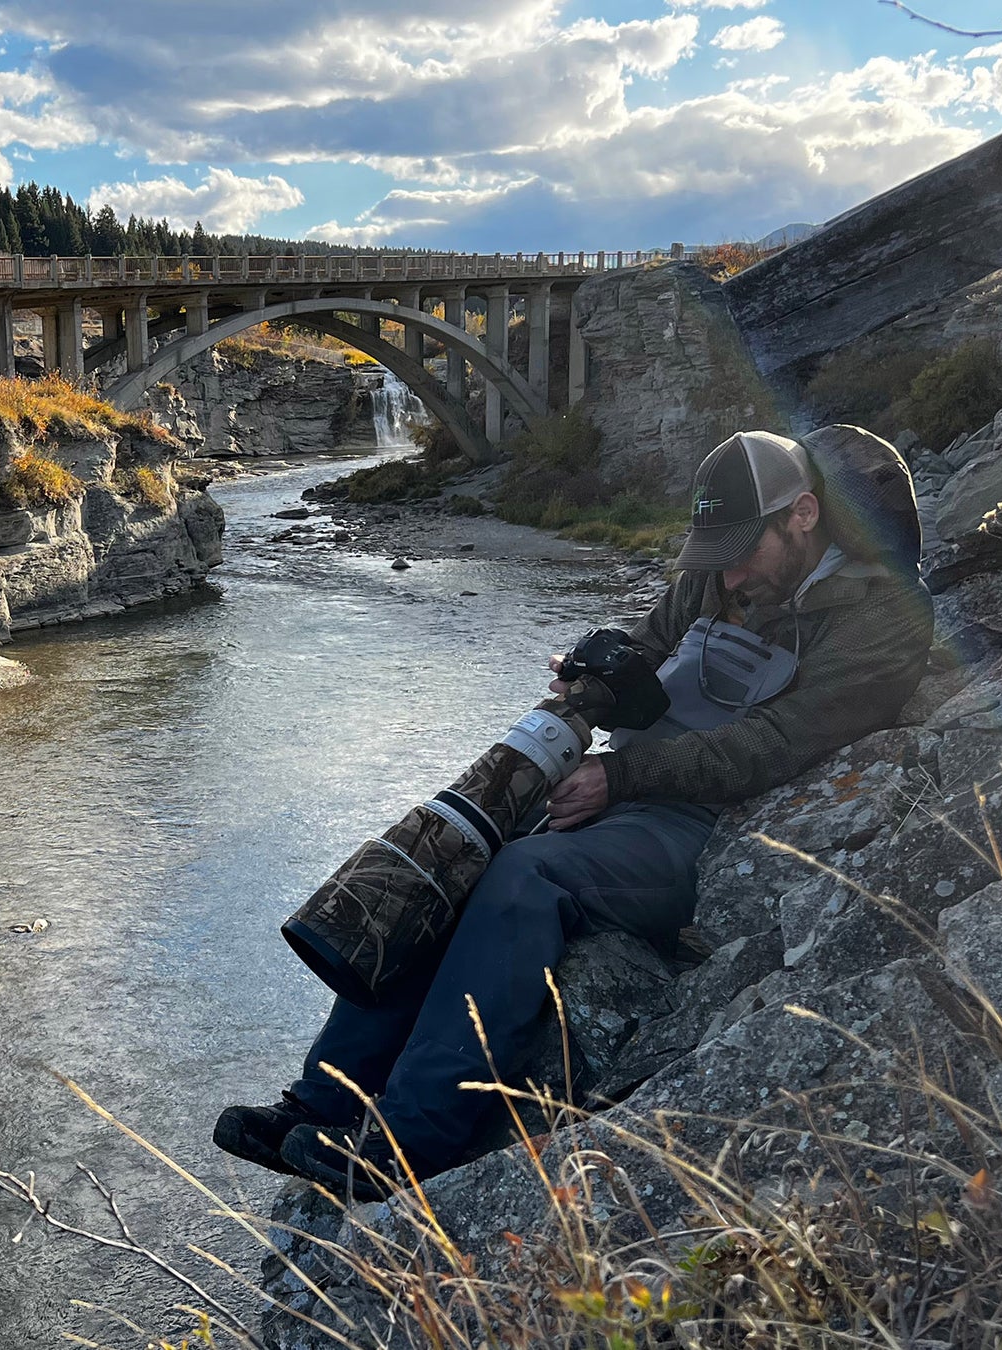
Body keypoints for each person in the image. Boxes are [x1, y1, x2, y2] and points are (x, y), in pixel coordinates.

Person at [214, 429, 935, 1198]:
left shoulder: (886, 611)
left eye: (737, 551)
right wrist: (592, 681)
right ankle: (321, 1102)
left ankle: (408, 1142)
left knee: (527, 875)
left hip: (719, 829)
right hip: (626, 790)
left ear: (802, 514)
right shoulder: (716, 572)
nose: (725, 574)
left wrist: (621, 775)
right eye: (712, 553)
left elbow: (776, 743)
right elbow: (652, 648)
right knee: (458, 855)